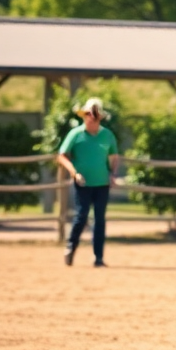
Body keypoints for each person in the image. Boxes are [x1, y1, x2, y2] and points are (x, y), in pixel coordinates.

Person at [56, 98, 120, 267]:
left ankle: (98, 257)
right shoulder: (75, 134)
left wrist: (113, 174)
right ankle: (71, 247)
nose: (91, 117)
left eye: (94, 115)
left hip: (102, 184)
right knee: (81, 215)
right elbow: (62, 156)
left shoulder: (107, 135)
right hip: (82, 183)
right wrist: (74, 172)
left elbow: (114, 157)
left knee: (100, 219)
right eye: (88, 114)